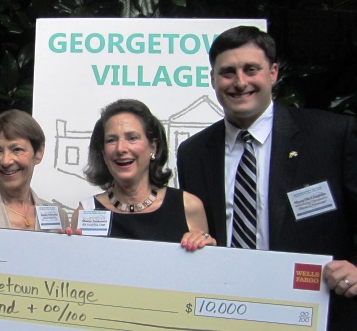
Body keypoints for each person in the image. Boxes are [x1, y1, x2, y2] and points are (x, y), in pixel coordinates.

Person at [176, 25, 357, 330]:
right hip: (227, 311)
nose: (240, 82)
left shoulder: (332, 135)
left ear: (273, 73)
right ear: (212, 80)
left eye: (251, 69)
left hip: (317, 311)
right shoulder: (193, 153)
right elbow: (199, 230)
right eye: (228, 72)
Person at [71, 99, 216, 249]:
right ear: (103, 152)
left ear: (153, 147)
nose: (121, 148)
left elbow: (202, 269)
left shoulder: (189, 206)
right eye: (111, 140)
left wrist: (208, 250)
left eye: (132, 138)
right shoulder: (85, 211)